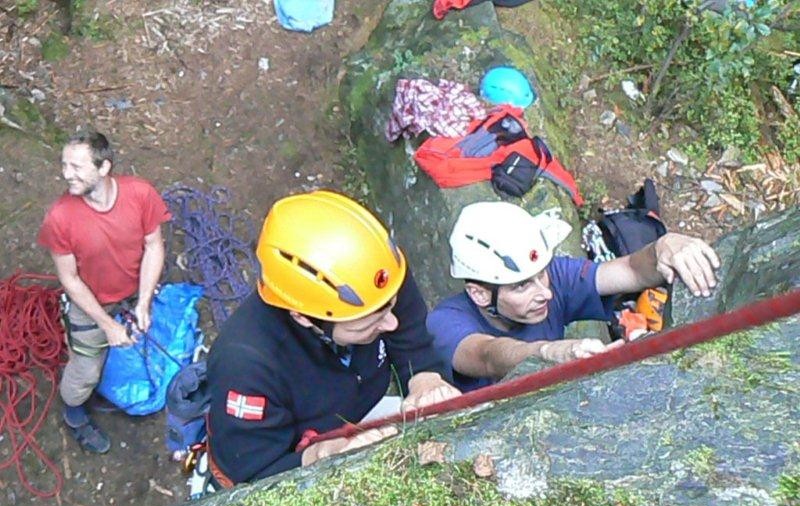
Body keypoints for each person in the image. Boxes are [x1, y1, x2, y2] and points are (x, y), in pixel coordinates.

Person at [205, 190, 460, 486]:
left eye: (390, 306)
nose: (391, 322)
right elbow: (255, 475)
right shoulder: (246, 366)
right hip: (286, 457)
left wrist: (426, 382)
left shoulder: (377, 283)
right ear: (303, 317)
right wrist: (323, 454)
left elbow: (412, 342)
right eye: (370, 322)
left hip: (357, 416)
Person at [427, 201, 721, 392]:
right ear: (479, 294)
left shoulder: (553, 277)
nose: (545, 292)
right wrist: (549, 353)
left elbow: (629, 270)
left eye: (541, 274)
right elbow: (488, 355)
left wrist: (662, 249)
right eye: (521, 286)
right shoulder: (445, 322)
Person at [38, 130, 171, 453]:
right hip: (90, 302)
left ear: (104, 167)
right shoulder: (60, 218)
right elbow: (69, 279)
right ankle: (73, 414)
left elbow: (154, 245)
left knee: (139, 335)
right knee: (84, 372)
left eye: (76, 167)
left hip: (131, 289)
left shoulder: (140, 195)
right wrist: (107, 325)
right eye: (64, 165)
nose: (66, 174)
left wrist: (143, 302)